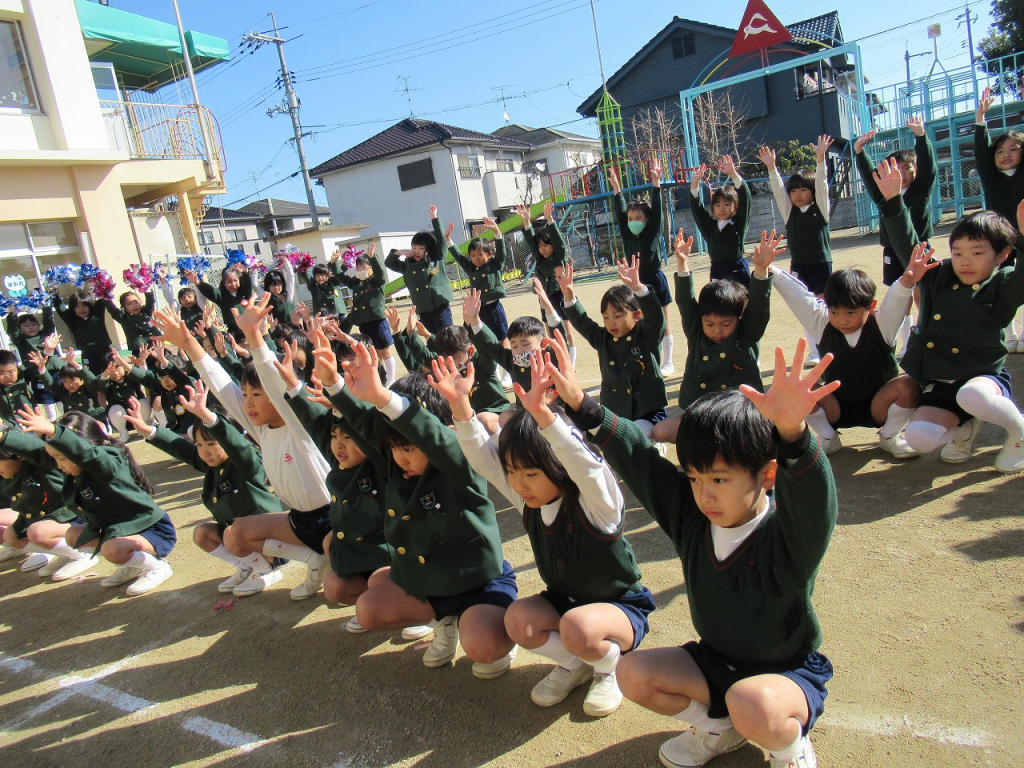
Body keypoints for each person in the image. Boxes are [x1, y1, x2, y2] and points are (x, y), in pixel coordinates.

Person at [543, 333, 837, 768]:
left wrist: (793, 435)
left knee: (753, 702)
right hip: (716, 663)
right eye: (695, 478)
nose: (704, 494)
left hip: (786, 673)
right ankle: (720, 730)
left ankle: (789, 750)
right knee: (633, 674)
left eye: (719, 479)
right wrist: (584, 408)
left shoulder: (788, 533)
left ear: (767, 476)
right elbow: (641, 459)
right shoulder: (692, 517)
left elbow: (816, 502)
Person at [434, 350, 654, 717]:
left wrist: (545, 417)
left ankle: (608, 666)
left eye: (531, 473)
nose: (518, 484)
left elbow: (586, 466)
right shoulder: (529, 502)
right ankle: (575, 663)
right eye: (513, 472)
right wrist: (460, 407)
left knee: (577, 627)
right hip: (566, 603)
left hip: (619, 608)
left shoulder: (597, 504)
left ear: (558, 466)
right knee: (518, 619)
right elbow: (483, 458)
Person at [314, 335, 518, 679]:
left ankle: (479, 626)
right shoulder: (398, 462)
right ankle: (444, 620)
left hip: (479, 583)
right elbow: (367, 425)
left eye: (409, 447)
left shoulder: (461, 461)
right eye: (394, 448)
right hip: (434, 583)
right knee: (369, 607)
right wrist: (335, 384)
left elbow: (432, 437)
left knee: (483, 649)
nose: (399, 457)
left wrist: (384, 398)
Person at [152, 296, 332, 599]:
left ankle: (336, 565)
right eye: (245, 394)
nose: (247, 403)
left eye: (256, 395)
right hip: (298, 519)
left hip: (332, 518)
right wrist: (187, 343)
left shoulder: (299, 423)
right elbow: (220, 384)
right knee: (237, 534)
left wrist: (254, 336)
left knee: (341, 589)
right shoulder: (260, 428)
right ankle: (314, 562)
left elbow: (273, 381)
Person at [271, 337, 433, 640]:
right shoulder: (344, 456)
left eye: (348, 437)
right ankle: (391, 597)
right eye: (336, 437)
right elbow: (316, 422)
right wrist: (294, 383)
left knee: (382, 581)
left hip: (408, 557)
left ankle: (426, 609)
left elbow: (366, 426)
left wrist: (338, 389)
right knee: (337, 581)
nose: (339, 445)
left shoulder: (385, 457)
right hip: (373, 554)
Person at [876, 158, 1024, 473]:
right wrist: (893, 201)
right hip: (941, 383)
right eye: (958, 252)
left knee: (972, 395)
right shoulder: (939, 275)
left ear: (1002, 255)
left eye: (977, 252)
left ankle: (1019, 433)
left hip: (982, 378)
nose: (965, 261)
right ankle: (964, 429)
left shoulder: (1002, 284)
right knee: (919, 438)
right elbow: (910, 248)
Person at [768, 245, 932, 457]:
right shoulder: (822, 323)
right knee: (797, 386)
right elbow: (798, 296)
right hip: (836, 407)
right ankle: (828, 437)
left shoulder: (883, 325)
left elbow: (896, 299)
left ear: (871, 306)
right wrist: (770, 268)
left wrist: (908, 281)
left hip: (879, 405)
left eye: (851, 312)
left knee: (909, 385)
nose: (842, 320)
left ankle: (890, 435)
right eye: (834, 311)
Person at [122, 383, 285, 594]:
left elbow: (237, 446)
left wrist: (210, 419)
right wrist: (149, 431)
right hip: (239, 537)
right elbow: (181, 449)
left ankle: (267, 570)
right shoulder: (212, 465)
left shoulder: (246, 463)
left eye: (212, 444)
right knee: (202, 533)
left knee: (231, 533)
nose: (205, 451)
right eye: (200, 444)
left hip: (270, 539)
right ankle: (246, 566)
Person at [17, 407, 176, 596]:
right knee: (74, 535)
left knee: (112, 549)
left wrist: (55, 433)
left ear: (82, 447)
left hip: (152, 532)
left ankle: (158, 566)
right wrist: (4, 436)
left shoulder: (108, 462)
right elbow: (35, 452)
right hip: (121, 533)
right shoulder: (75, 471)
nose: (59, 465)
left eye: (61, 458)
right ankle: (133, 564)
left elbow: (90, 457)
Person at [653, 229, 772, 446]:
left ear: (739, 318)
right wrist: (682, 263)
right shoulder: (696, 330)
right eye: (710, 324)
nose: (717, 330)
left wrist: (761, 270)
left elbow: (760, 309)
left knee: (756, 439)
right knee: (661, 431)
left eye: (726, 324)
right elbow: (685, 301)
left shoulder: (746, 333)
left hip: (738, 413)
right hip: (702, 412)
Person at [558, 256, 667, 438]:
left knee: (632, 437)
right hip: (615, 412)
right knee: (588, 438)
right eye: (606, 317)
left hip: (647, 412)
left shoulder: (646, 336)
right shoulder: (603, 338)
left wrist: (638, 288)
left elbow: (656, 318)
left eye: (618, 315)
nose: (611, 323)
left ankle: (654, 446)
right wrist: (569, 297)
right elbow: (582, 322)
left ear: (637, 315)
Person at [855, 116, 938, 352]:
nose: (901, 173)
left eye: (907, 168)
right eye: (895, 168)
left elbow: (929, 165)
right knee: (902, 295)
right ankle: (905, 341)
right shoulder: (883, 194)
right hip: (892, 250)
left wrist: (921, 136)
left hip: (919, 249)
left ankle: (926, 336)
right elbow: (870, 176)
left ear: (915, 171)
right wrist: (860, 151)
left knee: (923, 292)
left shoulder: (921, 190)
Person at [759, 137, 834, 361]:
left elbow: (821, 185)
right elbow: (779, 189)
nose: (798, 194)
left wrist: (820, 159)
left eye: (803, 190)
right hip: (799, 265)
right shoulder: (789, 212)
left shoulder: (820, 209)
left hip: (821, 263)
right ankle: (814, 351)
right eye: (794, 191)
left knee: (821, 305)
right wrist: (772, 167)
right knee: (804, 306)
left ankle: (826, 348)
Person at [387, 303, 509, 433]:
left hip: (496, 412)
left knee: (483, 419)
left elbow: (487, 348)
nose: (449, 362)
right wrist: (411, 334)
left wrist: (472, 324)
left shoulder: (482, 364)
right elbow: (425, 356)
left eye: (453, 357)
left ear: (471, 351)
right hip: (471, 420)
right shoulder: (448, 369)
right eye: (444, 358)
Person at [608, 158, 675, 375]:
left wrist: (656, 185)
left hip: (654, 278)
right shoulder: (627, 234)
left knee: (662, 319)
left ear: (647, 220)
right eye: (630, 218)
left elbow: (658, 213)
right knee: (637, 321)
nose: (633, 220)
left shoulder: (652, 231)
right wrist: (617, 191)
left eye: (638, 217)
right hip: (633, 282)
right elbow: (619, 213)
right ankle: (644, 358)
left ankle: (668, 361)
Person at [0, 428, 90, 577]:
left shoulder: (43, 465)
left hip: (71, 517)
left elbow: (37, 449)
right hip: (45, 520)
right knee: (12, 535)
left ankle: (81, 554)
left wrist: (5, 437)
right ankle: (64, 552)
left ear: (19, 456)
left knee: (37, 532)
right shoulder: (12, 476)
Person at [975, 86, 1024, 350]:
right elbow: (982, 152)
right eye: (1000, 151)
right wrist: (981, 119)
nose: (1005, 155)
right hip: (1001, 236)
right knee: (1002, 282)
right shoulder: (991, 178)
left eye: (1013, 149)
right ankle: (1008, 331)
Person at [518, 200, 578, 366]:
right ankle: (557, 359)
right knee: (549, 329)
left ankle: (570, 364)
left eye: (546, 245)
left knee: (566, 329)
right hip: (544, 298)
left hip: (559, 295)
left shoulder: (559, 256)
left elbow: (559, 242)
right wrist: (526, 222)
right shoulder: (539, 259)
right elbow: (531, 241)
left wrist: (550, 220)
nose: (542, 249)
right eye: (540, 247)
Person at [334, 241, 398, 386]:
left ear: (371, 268)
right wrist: (334, 264)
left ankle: (391, 379)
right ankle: (380, 379)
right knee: (373, 351)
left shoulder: (376, 281)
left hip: (377, 321)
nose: (360, 270)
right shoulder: (357, 283)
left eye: (364, 267)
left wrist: (372, 256)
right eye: (358, 268)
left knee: (384, 351)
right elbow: (341, 278)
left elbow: (381, 274)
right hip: (363, 322)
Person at [385, 206, 454, 333]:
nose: (416, 251)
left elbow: (442, 242)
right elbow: (389, 263)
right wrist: (399, 252)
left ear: (428, 249)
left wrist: (434, 218)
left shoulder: (437, 258)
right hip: (422, 307)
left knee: (447, 334)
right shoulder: (408, 265)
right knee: (431, 338)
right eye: (414, 247)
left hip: (440, 304)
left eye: (421, 248)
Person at [688, 154, 753, 286]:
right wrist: (695, 183)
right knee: (719, 304)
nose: (722, 208)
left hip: (737, 270)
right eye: (717, 205)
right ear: (712, 208)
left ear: (735, 207)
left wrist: (733, 174)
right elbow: (697, 208)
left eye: (727, 204)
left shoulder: (738, 223)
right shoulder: (709, 226)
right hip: (717, 271)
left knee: (743, 303)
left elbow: (745, 197)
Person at [5, 306, 61, 418]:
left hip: (55, 371)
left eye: (33, 324)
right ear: (20, 329)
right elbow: (12, 331)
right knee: (48, 403)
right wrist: (13, 315)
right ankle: (52, 425)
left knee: (62, 398)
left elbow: (49, 321)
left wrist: (45, 306)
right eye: (25, 325)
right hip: (36, 375)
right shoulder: (21, 340)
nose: (30, 327)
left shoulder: (46, 334)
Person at [54, 291, 114, 375]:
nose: (81, 309)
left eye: (85, 305)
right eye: (77, 306)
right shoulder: (72, 321)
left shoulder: (97, 315)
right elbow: (61, 309)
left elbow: (101, 300)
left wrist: (101, 284)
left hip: (105, 351)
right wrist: (55, 295)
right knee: (93, 376)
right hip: (88, 354)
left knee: (112, 373)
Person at [187, 264, 253, 340]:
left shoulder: (244, 293)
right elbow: (211, 291)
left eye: (235, 281)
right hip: (234, 332)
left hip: (249, 328)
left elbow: (248, 284)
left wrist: (245, 272)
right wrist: (197, 282)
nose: (233, 284)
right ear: (224, 283)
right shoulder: (222, 296)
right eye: (229, 281)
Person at [105, 288, 158, 357]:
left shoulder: (146, 312)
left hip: (155, 345)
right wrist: (105, 296)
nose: (134, 305)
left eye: (136, 302)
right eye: (129, 304)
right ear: (123, 307)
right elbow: (112, 310)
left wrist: (146, 289)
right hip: (139, 350)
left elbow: (150, 302)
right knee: (143, 367)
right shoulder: (124, 318)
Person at [0, 348, 42, 427]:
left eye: (11, 372)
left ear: (18, 370)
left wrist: (47, 351)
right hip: (9, 428)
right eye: (1, 373)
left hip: (32, 424)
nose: (6, 376)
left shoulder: (23, 377)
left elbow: (38, 366)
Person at [262, 256, 297, 328]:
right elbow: (255, 284)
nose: (276, 288)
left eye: (278, 285)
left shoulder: (287, 295)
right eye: (273, 285)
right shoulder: (266, 297)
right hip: (276, 329)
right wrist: (255, 268)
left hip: (291, 327)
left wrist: (286, 263)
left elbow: (291, 277)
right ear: (268, 287)